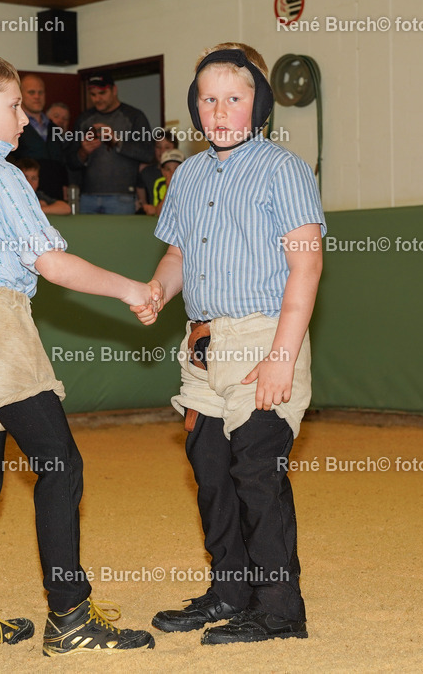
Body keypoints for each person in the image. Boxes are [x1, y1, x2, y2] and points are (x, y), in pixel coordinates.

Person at [0, 49, 157, 659]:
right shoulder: (2, 178)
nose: (24, 118)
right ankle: (71, 616)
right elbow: (50, 264)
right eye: (14, 105)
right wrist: (130, 288)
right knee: (59, 464)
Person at [133, 42, 324, 646]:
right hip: (204, 345)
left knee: (256, 473)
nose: (218, 111)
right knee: (211, 471)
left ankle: (279, 608)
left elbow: (307, 267)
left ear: (258, 105)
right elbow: (178, 255)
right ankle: (230, 589)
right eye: (207, 99)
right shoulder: (186, 175)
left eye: (233, 99)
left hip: (264, 335)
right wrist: (160, 292)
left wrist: (281, 357)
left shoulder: (283, 169)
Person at [65, 73, 154, 215]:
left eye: (102, 93)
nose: (97, 99)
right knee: (87, 237)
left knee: (121, 237)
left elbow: (148, 154)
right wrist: (83, 152)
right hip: (88, 197)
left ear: (114, 90)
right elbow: (70, 161)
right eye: (93, 95)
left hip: (123, 196)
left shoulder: (134, 116)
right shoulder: (84, 119)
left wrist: (117, 141)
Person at [7, 74, 67, 201]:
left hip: (56, 200)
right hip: (26, 199)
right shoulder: (12, 125)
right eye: (31, 92)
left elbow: (63, 161)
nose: (37, 96)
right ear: (20, 95)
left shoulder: (54, 127)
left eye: (41, 92)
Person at [138, 132, 177, 212]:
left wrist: (155, 210)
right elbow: (143, 202)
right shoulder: (146, 172)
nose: (162, 151)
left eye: (167, 147)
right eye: (158, 147)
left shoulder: (185, 171)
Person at [141, 149, 184, 216]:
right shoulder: (159, 184)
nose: (172, 173)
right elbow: (160, 212)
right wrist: (169, 188)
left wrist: (155, 209)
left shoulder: (190, 184)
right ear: (163, 171)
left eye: (176, 168)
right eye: (168, 169)